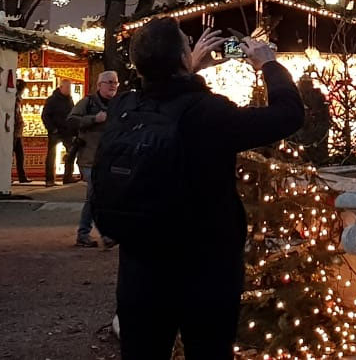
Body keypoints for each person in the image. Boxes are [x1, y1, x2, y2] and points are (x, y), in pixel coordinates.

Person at [109, 19, 303, 360]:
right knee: (209, 350)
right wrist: (269, 64)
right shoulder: (208, 113)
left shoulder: (124, 107)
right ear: (182, 60)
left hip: (140, 265)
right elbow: (288, 115)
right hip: (204, 267)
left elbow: (159, 93)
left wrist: (187, 70)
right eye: (187, 45)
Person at [68, 70, 120, 247]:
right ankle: (92, 234)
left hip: (109, 159)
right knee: (95, 195)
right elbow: (72, 120)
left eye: (115, 82)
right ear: (99, 85)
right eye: (109, 82)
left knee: (100, 196)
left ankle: (93, 234)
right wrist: (94, 119)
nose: (113, 85)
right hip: (89, 158)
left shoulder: (118, 104)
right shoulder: (87, 102)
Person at [41, 79, 76, 186]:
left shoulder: (69, 100)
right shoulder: (52, 100)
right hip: (55, 131)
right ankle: (49, 179)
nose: (69, 90)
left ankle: (68, 176)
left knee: (71, 153)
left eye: (70, 88)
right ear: (61, 87)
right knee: (51, 155)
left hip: (67, 131)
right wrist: (52, 129)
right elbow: (45, 115)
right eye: (67, 87)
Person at [13, 86, 29, 185]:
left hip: (17, 131)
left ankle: (22, 176)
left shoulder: (16, 100)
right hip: (15, 131)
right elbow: (16, 116)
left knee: (20, 155)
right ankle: (21, 176)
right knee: (19, 155)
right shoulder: (15, 101)